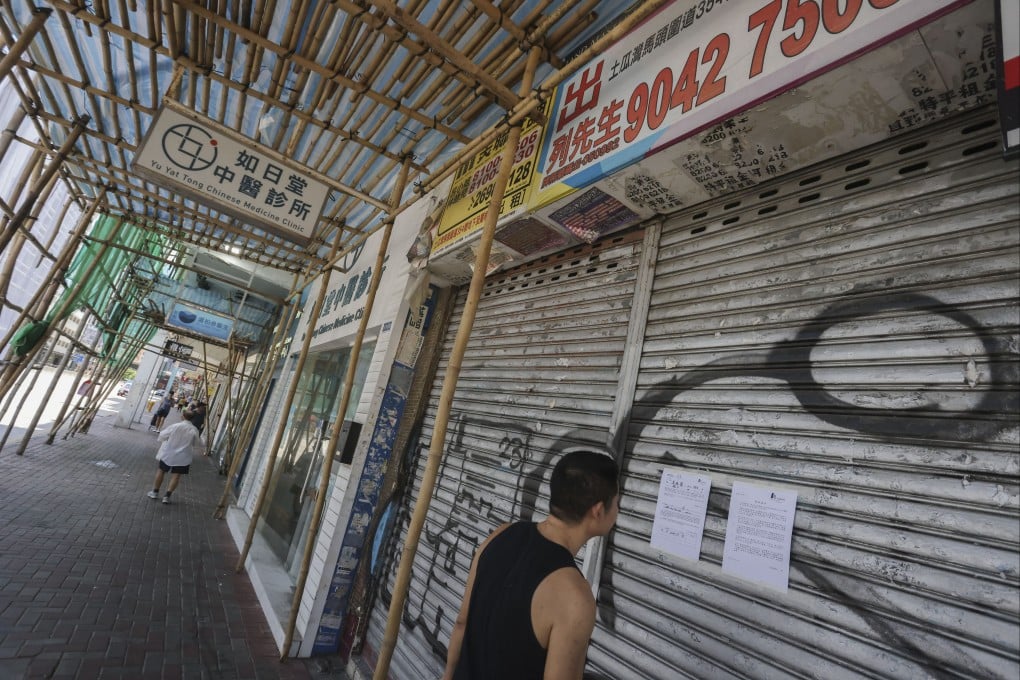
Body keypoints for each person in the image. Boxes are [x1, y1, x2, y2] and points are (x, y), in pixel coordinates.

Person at [444, 450, 620, 680]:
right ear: (598, 511)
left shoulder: (500, 534)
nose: (618, 511)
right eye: (616, 503)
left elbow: (461, 623)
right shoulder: (575, 596)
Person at [147, 409, 203, 504]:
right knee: (176, 476)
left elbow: (162, 435)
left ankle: (155, 492)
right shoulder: (194, 430)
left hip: (168, 453)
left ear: (183, 416)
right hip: (183, 456)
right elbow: (196, 444)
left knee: (161, 471)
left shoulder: (175, 426)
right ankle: (167, 497)